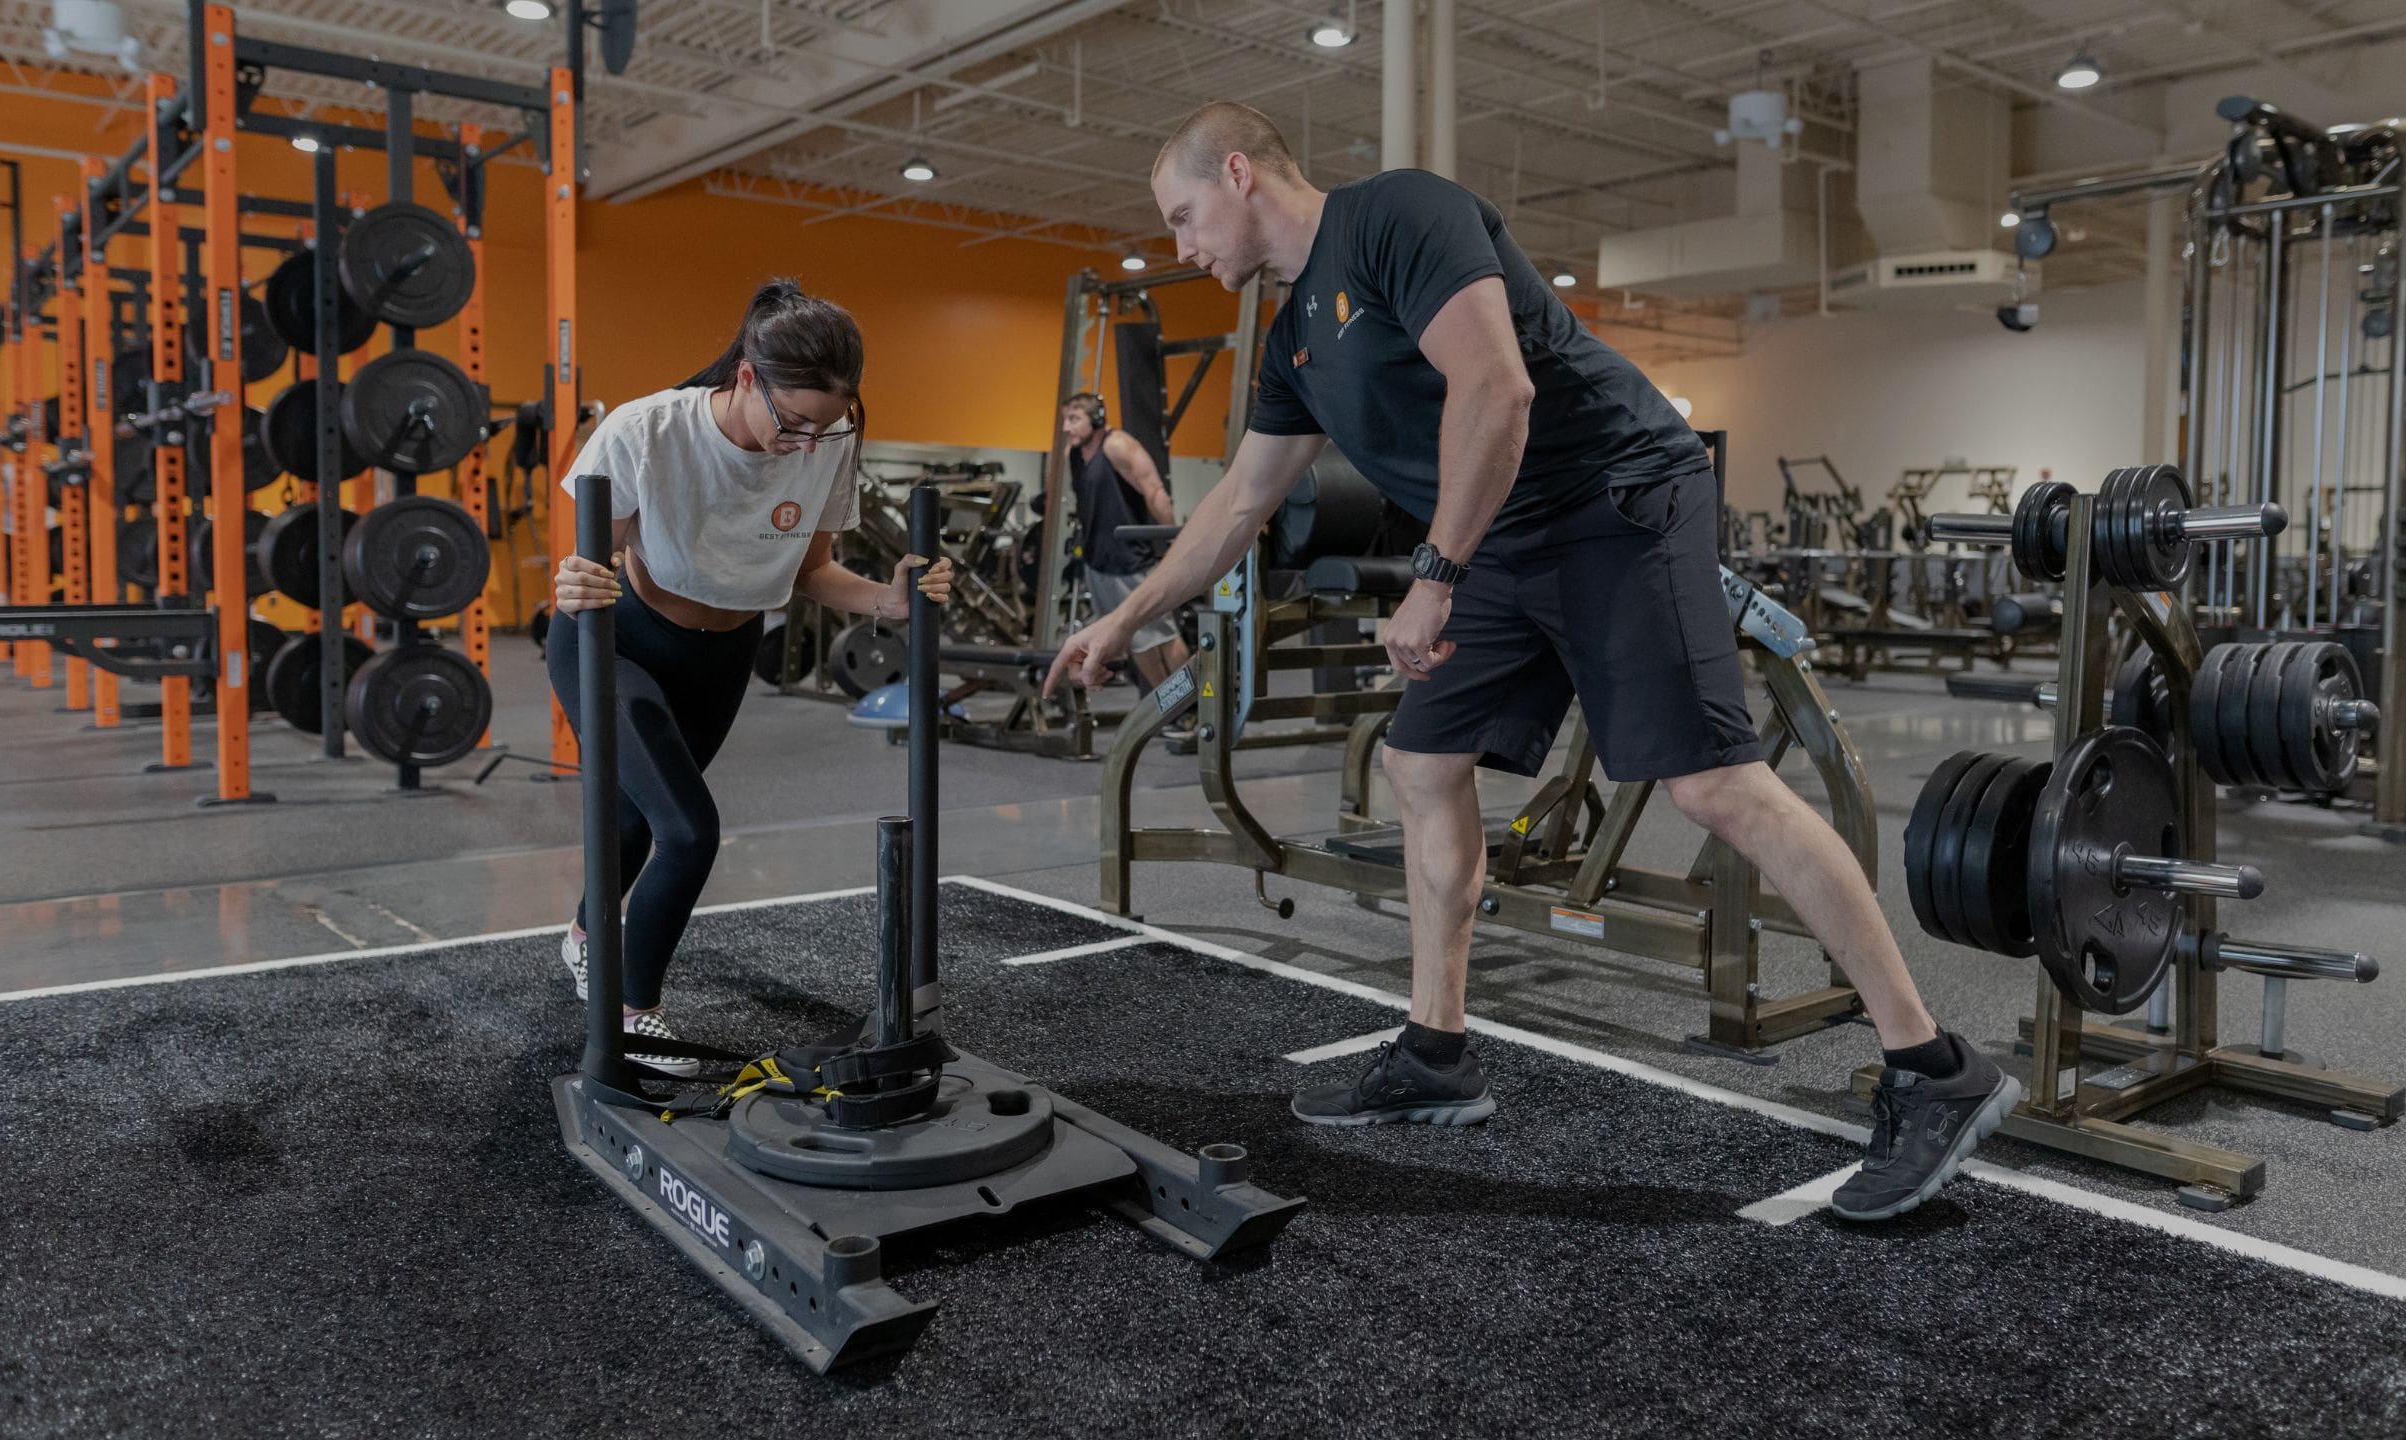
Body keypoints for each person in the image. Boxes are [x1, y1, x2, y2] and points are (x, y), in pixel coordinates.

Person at [1047, 102, 2018, 1222]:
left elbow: (1497, 390)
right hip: (1508, 535)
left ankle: (1933, 1068)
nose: (1179, 247)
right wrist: (1125, 619)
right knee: (1420, 762)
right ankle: (1435, 1052)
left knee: (1710, 783)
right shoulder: (1294, 336)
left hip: (1616, 498)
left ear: (1238, 173)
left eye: (1181, 216)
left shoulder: (1400, 216)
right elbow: (1239, 501)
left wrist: (1433, 574)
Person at [549, 278, 954, 1075]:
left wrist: (889, 600)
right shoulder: (646, 429)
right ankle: (635, 1014)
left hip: (721, 656)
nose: (807, 443)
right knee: (687, 830)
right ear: (744, 378)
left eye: (825, 427)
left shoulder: (829, 445)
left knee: (638, 820)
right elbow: (590, 564)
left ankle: (585, 936)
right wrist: (571, 582)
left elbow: (812, 570)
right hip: (617, 642)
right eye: (795, 423)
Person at [1058, 392, 1191, 691]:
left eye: (1074, 419)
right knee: (1134, 641)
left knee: (1163, 637)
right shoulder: (1074, 455)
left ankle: (1193, 704)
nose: (1067, 427)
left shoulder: (1118, 446)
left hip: (1132, 563)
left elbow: (1154, 491)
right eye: (1066, 419)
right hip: (1098, 564)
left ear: (1097, 419)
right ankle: (1167, 708)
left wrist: (1173, 543)